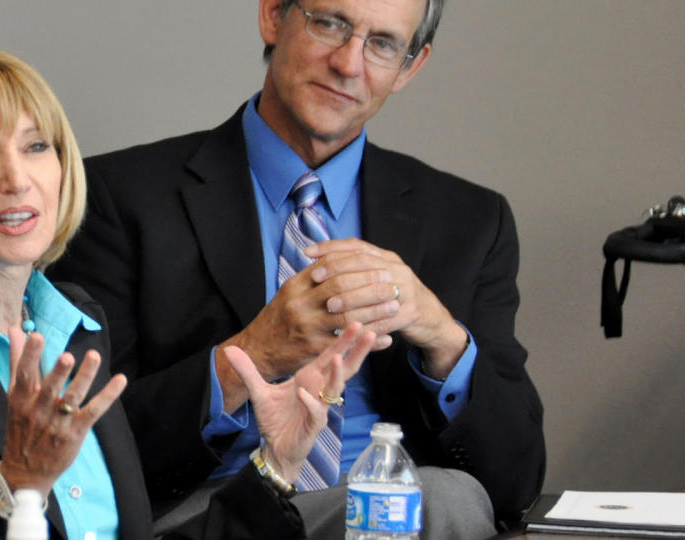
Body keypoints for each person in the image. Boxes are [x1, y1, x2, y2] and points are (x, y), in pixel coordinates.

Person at [0, 46, 381, 540]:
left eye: (37, 147)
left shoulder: (77, 320)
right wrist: (16, 489)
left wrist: (276, 462)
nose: (17, 178)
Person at [47, 0, 546, 536]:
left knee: (439, 500)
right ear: (272, 17)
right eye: (331, 23)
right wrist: (252, 354)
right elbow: (84, 449)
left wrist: (443, 338)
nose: (349, 64)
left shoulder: (471, 222)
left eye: (382, 44)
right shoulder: (118, 196)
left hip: (398, 514)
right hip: (212, 514)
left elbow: (516, 482)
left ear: (410, 66)